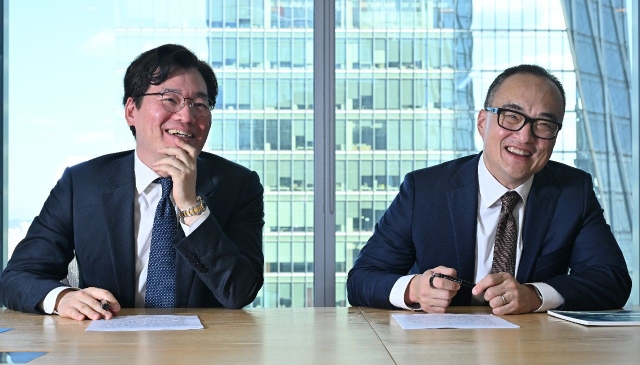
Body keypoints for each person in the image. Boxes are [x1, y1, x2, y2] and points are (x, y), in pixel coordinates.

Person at [0, 44, 264, 320]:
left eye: (199, 105)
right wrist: (63, 298)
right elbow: (17, 277)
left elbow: (240, 292)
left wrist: (189, 206)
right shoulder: (82, 185)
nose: (186, 116)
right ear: (131, 111)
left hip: (202, 352)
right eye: (170, 99)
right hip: (110, 350)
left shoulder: (239, 185)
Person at [347, 64, 631, 314]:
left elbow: (611, 279)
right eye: (511, 116)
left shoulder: (573, 191)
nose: (524, 137)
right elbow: (361, 280)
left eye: (543, 124)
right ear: (483, 122)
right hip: (439, 349)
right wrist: (414, 289)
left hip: (534, 350)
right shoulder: (424, 190)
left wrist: (534, 295)